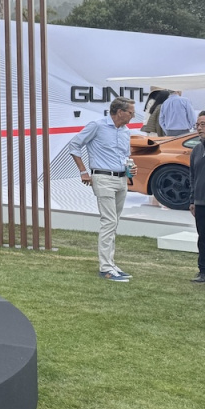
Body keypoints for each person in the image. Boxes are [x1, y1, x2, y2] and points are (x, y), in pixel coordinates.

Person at [67, 97, 138, 282]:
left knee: (114, 222)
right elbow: (74, 145)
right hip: (103, 178)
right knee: (109, 221)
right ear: (120, 112)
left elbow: (125, 155)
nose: (133, 116)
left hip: (122, 179)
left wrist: (131, 168)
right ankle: (105, 268)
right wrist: (83, 171)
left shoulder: (126, 131)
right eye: (131, 112)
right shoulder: (97, 126)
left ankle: (111, 264)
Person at [190, 110, 205, 284]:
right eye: (198, 125)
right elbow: (192, 176)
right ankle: (203, 271)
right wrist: (192, 200)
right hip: (201, 202)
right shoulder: (196, 149)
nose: (199, 128)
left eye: (203, 125)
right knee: (203, 238)